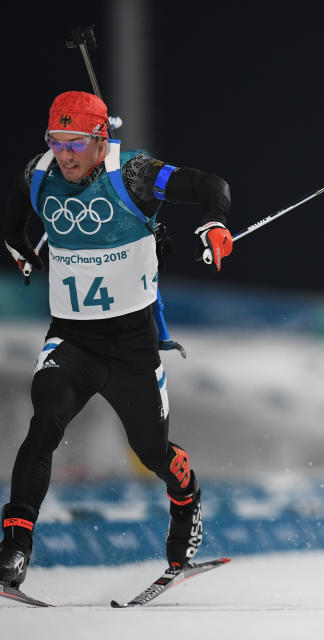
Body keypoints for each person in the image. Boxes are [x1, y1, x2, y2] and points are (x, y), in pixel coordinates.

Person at [0, 90, 235, 589]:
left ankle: (187, 511)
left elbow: (211, 185)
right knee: (45, 423)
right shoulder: (37, 172)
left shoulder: (134, 174)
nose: (64, 154)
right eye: (56, 141)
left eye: (76, 143)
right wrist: (21, 249)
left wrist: (215, 224)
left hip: (132, 347)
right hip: (71, 341)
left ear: (100, 138)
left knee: (153, 453)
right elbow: (13, 215)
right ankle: (14, 550)